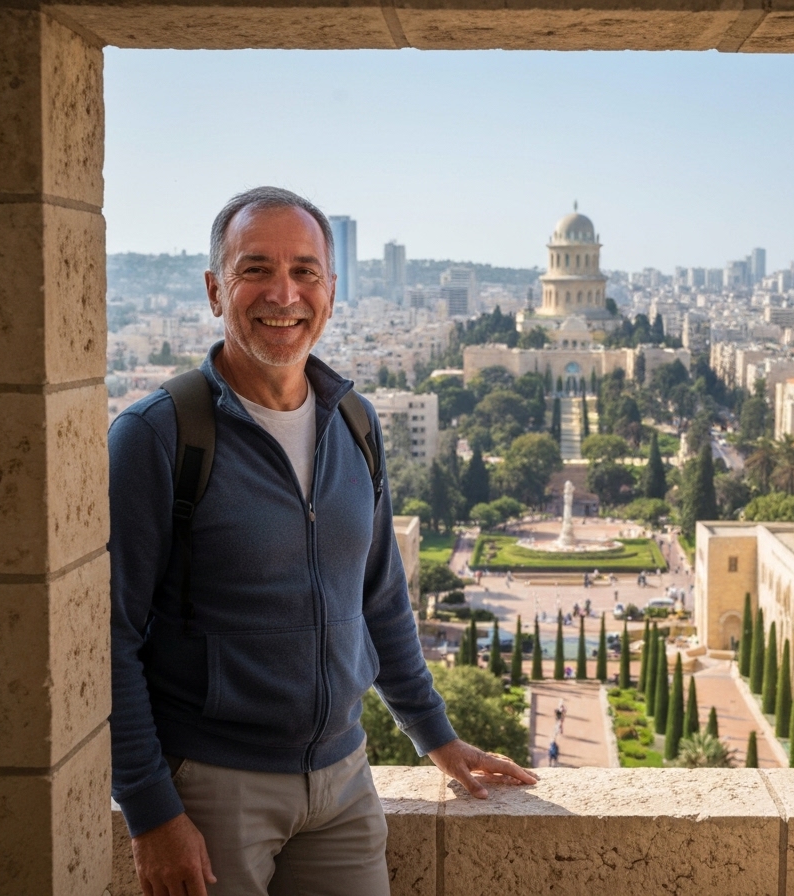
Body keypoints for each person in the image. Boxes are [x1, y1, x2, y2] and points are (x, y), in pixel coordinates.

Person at [109, 187, 535, 896]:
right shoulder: (158, 436)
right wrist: (152, 813)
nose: (285, 293)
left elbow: (380, 599)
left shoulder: (355, 423)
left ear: (332, 292)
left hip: (341, 784)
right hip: (214, 792)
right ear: (216, 289)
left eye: (306, 271)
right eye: (256, 270)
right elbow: (109, 638)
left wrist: (437, 736)